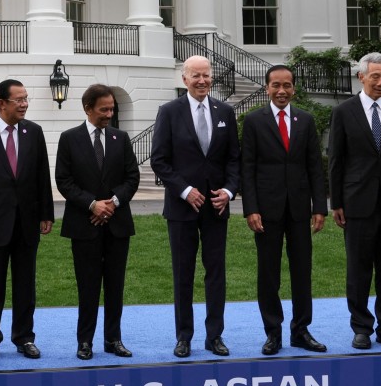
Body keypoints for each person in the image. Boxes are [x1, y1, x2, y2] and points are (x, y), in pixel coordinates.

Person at [150, 55, 240, 358]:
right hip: (181, 208)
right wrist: (185, 190)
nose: (202, 81)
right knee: (183, 273)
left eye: (206, 75)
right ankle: (184, 336)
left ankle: (214, 336)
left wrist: (228, 191)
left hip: (216, 207)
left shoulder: (225, 111)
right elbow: (159, 160)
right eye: (195, 76)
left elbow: (233, 159)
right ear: (184, 79)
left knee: (216, 273)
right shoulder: (169, 112)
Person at [328, 52, 381, 350]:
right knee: (359, 268)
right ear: (361, 77)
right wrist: (336, 201)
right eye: (375, 77)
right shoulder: (344, 112)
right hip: (357, 202)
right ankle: (362, 327)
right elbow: (336, 160)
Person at [241, 65, 328, 355]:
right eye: (276, 85)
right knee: (269, 274)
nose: (282, 91)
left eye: (287, 85)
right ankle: (273, 333)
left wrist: (320, 207)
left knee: (302, 272)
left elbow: (315, 166)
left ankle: (301, 330)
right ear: (267, 88)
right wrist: (250, 208)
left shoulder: (305, 120)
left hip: (300, 209)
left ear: (293, 88)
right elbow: (248, 168)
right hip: (266, 211)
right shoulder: (254, 121)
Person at [0, 79, 54, 361]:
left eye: (26, 98)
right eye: (19, 100)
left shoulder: (34, 132)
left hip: (27, 221)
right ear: (2, 103)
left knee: (25, 285)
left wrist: (46, 213)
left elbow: (42, 175)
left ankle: (24, 337)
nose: (25, 104)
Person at [55, 84, 140, 360]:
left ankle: (113, 339)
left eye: (112, 109)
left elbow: (132, 178)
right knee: (88, 286)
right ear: (87, 108)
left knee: (115, 286)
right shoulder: (69, 139)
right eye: (104, 109)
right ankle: (85, 342)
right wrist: (92, 204)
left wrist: (111, 203)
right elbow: (64, 181)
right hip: (84, 225)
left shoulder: (121, 138)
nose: (109, 114)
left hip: (117, 225)